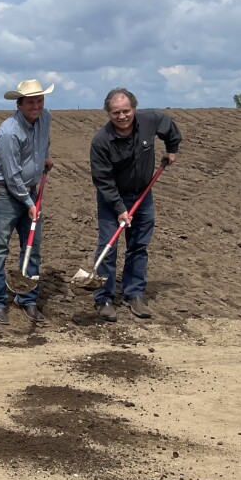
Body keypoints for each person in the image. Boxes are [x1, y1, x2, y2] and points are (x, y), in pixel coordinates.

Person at [89, 87, 181, 322]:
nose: (122, 117)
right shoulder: (101, 141)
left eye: (126, 111)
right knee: (108, 248)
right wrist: (120, 209)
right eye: (116, 113)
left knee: (139, 246)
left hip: (143, 195)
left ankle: (134, 294)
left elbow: (167, 123)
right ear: (108, 114)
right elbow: (103, 181)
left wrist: (171, 149)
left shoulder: (150, 121)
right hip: (113, 199)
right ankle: (105, 298)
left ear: (134, 109)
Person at [0, 78, 55, 326]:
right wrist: (29, 203)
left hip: (31, 191)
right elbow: (11, 175)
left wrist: (44, 157)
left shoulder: (45, 117)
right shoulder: (9, 132)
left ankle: (28, 299)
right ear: (20, 103)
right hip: (4, 193)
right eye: (31, 102)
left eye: (40, 100)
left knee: (32, 247)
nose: (36, 106)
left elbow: (44, 140)